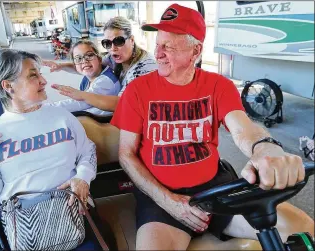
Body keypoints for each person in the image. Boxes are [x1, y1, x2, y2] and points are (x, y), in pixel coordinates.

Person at [110, 4, 314, 250]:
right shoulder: (137, 91)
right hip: (161, 198)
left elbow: (243, 129)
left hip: (216, 189)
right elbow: (126, 154)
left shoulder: (218, 85)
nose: (158, 53)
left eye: (169, 46)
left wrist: (264, 148)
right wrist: (169, 201)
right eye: (158, 44)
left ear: (195, 50)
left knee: (306, 229)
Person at [0, 49, 102, 250]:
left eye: (40, 73)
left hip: (73, 213)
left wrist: (83, 178)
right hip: (25, 226)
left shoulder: (61, 117)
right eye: (33, 75)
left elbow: (87, 151)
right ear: (8, 85)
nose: (43, 81)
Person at [43, 16, 157, 112]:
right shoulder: (114, 58)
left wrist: (81, 95)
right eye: (107, 43)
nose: (113, 48)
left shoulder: (144, 68)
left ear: (131, 40)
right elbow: (89, 65)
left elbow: (123, 104)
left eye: (119, 41)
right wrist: (61, 66)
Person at [49, 40, 120, 116]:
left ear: (99, 59)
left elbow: (82, 102)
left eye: (89, 55)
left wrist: (47, 108)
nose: (84, 61)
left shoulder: (105, 81)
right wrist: (60, 66)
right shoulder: (90, 76)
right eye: (78, 58)